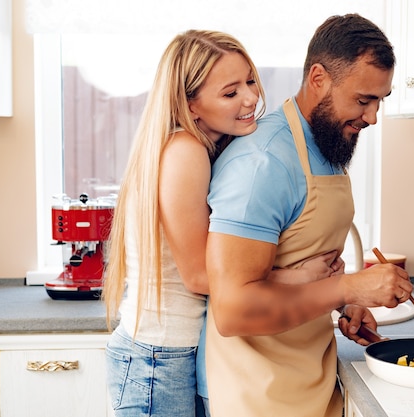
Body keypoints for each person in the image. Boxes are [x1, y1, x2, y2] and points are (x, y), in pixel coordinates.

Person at [101, 29, 347, 417]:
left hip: (170, 354)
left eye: (249, 81)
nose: (251, 98)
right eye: (230, 93)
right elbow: (201, 276)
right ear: (191, 104)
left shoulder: (207, 149)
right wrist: (307, 278)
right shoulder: (185, 152)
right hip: (157, 359)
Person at [202, 14, 414, 417]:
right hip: (257, 394)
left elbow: (298, 261)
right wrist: (347, 289)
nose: (372, 117)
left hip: (310, 379)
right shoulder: (262, 164)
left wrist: (342, 304)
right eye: (363, 100)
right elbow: (233, 309)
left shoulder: (327, 144)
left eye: (379, 101)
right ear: (318, 78)